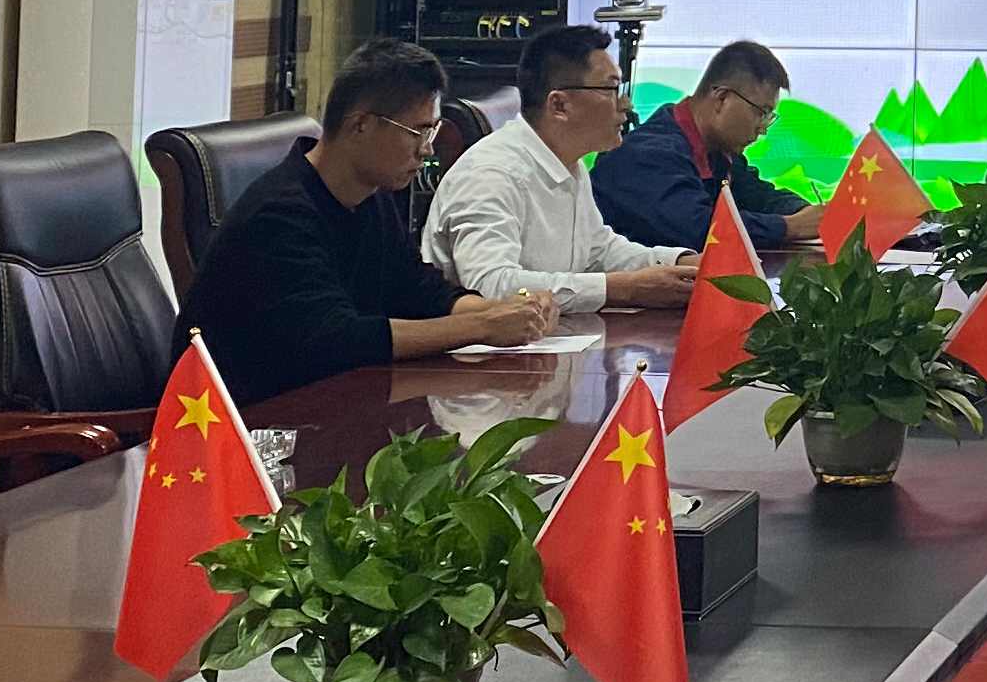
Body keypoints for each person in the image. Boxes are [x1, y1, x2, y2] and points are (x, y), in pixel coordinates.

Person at [183, 39, 555, 401]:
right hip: (250, 419)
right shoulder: (278, 216)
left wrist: (505, 311)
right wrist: (482, 326)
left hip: (335, 399)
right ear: (360, 125)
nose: (427, 150)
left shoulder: (370, 196)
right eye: (417, 132)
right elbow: (338, 339)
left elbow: (416, 289)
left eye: (432, 131)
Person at [423, 22, 699, 315]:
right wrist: (621, 289)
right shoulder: (491, 174)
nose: (626, 104)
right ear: (559, 105)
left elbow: (599, 251)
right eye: (611, 89)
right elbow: (490, 286)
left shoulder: (569, 162)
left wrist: (684, 263)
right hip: (474, 344)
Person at [593, 37, 825, 253]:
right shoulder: (649, 155)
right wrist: (790, 227)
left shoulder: (718, 152)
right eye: (761, 113)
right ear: (722, 98)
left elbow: (760, 197)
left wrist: (809, 214)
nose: (762, 129)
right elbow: (699, 229)